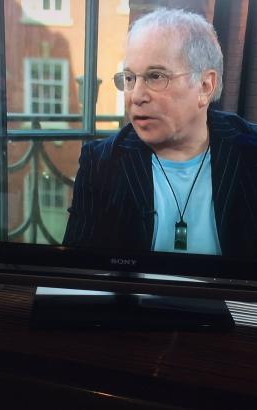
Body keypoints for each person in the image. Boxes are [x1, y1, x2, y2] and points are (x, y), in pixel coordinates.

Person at [63, 7, 257, 258]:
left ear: (205, 86)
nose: (137, 96)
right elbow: (77, 273)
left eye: (155, 76)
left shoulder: (250, 151)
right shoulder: (101, 162)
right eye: (130, 78)